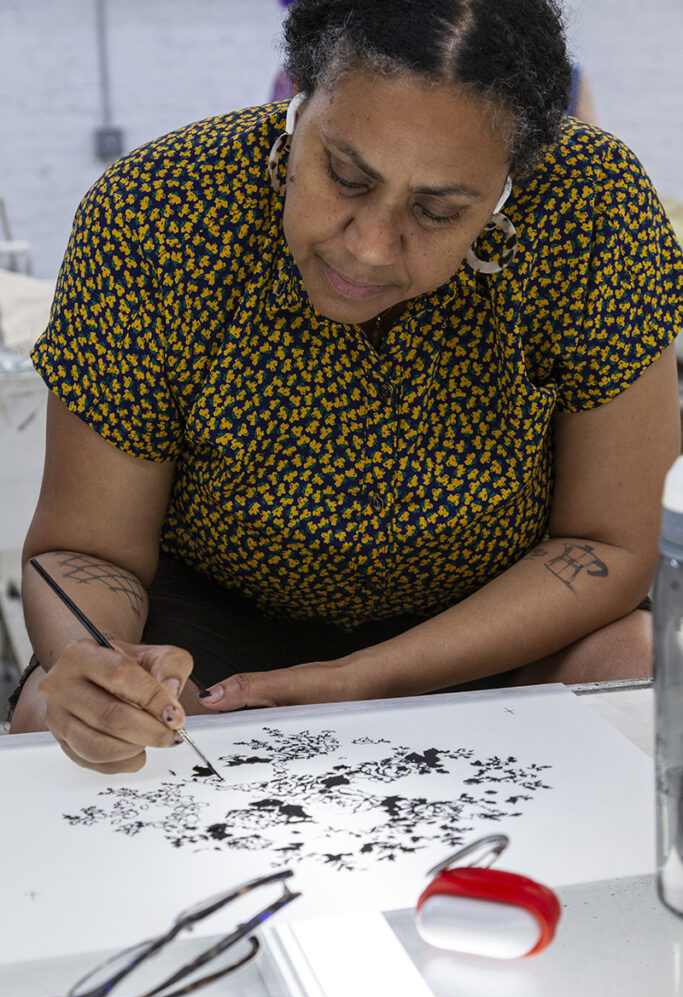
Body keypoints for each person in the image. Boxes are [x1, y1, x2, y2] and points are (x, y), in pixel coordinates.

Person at [9, 0, 683, 775]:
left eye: (436, 210)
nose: (367, 247)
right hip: (208, 648)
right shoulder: (159, 209)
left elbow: (607, 545)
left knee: (632, 667)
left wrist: (360, 681)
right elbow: (86, 551)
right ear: (297, 110)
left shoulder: (592, 208)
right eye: (345, 174)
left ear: (505, 191)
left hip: (503, 624)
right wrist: (105, 676)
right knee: (53, 734)